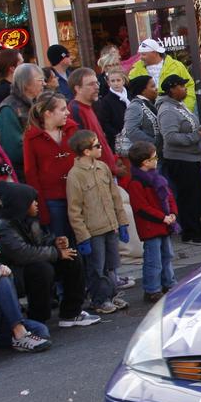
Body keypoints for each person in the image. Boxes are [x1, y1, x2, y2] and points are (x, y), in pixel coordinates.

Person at [0, 182, 99, 327]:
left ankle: (71, 312)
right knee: (42, 269)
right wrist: (57, 253)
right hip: (12, 273)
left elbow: (41, 240)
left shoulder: (28, 219)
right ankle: (37, 319)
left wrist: (56, 242)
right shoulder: (2, 228)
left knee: (72, 257)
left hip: (32, 264)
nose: (36, 204)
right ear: (21, 203)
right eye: (32, 201)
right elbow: (23, 254)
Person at [66, 130, 129, 314]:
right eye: (96, 146)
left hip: (110, 225)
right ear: (86, 151)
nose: (100, 148)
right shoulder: (75, 175)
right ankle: (99, 299)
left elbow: (115, 196)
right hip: (93, 230)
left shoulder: (102, 167)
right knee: (97, 267)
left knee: (112, 264)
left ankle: (112, 294)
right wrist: (82, 236)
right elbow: (74, 209)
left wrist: (122, 222)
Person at [157, 73, 201, 246]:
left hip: (191, 157)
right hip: (180, 160)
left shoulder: (179, 106)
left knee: (195, 196)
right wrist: (195, 136)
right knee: (188, 197)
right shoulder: (167, 110)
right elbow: (170, 137)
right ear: (172, 89)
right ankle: (190, 232)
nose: (185, 89)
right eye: (181, 86)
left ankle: (197, 227)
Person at [123, 141, 177, 303]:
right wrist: (163, 217)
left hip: (164, 224)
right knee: (154, 259)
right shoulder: (136, 183)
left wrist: (173, 212)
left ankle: (169, 283)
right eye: (155, 157)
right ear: (145, 162)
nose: (157, 159)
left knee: (167, 255)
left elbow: (169, 196)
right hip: (151, 226)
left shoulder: (157, 178)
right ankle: (152, 289)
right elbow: (142, 208)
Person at [23, 92, 79, 239]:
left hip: (78, 195)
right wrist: (41, 206)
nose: (67, 112)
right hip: (53, 199)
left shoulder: (71, 129)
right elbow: (31, 173)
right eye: (62, 109)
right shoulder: (32, 137)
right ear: (48, 113)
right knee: (61, 241)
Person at [0, 231, 51, 352]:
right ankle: (18, 334)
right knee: (2, 280)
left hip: (0, 324)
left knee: (41, 331)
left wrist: (9, 274)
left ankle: (10, 336)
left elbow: (13, 300)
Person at [0, 63, 44, 181]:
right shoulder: (9, 109)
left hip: (37, 171)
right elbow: (13, 150)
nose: (44, 83)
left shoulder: (34, 104)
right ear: (26, 83)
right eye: (40, 80)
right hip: (23, 176)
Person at [66, 67, 116, 172]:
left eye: (97, 83)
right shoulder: (76, 110)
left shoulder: (88, 107)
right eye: (91, 84)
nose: (97, 87)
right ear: (77, 89)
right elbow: (83, 150)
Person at [129, 39, 195, 112]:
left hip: (175, 113)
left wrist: (186, 108)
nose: (141, 57)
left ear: (154, 53)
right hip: (148, 115)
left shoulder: (176, 66)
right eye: (140, 54)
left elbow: (189, 86)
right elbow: (131, 93)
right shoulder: (135, 70)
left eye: (144, 54)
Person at [122, 75, 162, 155]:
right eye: (153, 86)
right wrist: (153, 143)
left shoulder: (150, 103)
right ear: (143, 90)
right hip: (147, 154)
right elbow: (132, 131)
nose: (156, 89)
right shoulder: (135, 106)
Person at [96, 69, 128, 147]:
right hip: (118, 139)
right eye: (112, 81)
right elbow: (104, 123)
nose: (116, 83)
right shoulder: (106, 101)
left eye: (118, 80)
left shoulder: (129, 95)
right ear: (108, 83)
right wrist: (118, 134)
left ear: (123, 81)